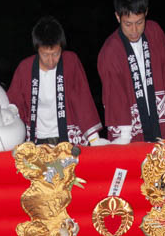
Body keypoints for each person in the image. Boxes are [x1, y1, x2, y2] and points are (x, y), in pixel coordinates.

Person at [97, 0, 165, 143]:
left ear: (146, 12)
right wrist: (125, 137)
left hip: (161, 124)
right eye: (128, 24)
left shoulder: (154, 31)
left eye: (139, 22)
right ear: (117, 17)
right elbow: (115, 96)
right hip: (128, 133)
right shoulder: (110, 52)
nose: (134, 30)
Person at [8, 16, 102, 146]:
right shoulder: (25, 68)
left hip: (68, 137)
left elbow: (82, 99)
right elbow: (15, 102)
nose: (51, 61)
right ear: (37, 49)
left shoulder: (71, 62)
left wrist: (94, 140)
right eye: (45, 55)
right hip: (38, 139)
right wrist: (10, 113)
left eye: (56, 54)